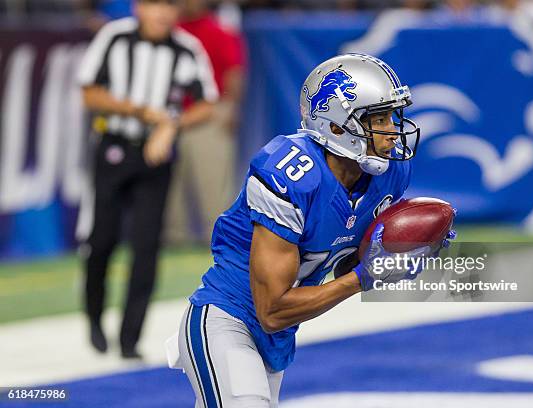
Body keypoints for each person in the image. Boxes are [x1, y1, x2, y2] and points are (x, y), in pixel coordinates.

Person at [170, 53, 455, 407]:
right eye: (379, 119)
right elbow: (271, 310)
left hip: (279, 337)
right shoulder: (290, 173)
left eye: (393, 116)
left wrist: (394, 258)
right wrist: (362, 279)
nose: (393, 131)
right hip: (228, 317)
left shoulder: (389, 174)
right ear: (336, 126)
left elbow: (345, 265)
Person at [77, 0, 218, 358]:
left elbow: (206, 104)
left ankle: (130, 338)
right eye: (155, 5)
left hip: (156, 156)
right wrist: (139, 111)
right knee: (101, 240)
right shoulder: (115, 37)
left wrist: (171, 125)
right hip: (113, 146)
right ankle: (94, 316)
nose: (162, 14)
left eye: (169, 6)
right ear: (139, 7)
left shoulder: (186, 49)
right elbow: (89, 93)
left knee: (146, 246)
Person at [164, 0, 246, 245]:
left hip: (209, 114)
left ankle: (219, 237)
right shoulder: (168, 30)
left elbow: (234, 70)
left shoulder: (219, 30)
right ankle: (172, 238)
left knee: (213, 182)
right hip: (170, 115)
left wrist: (231, 106)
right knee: (169, 185)